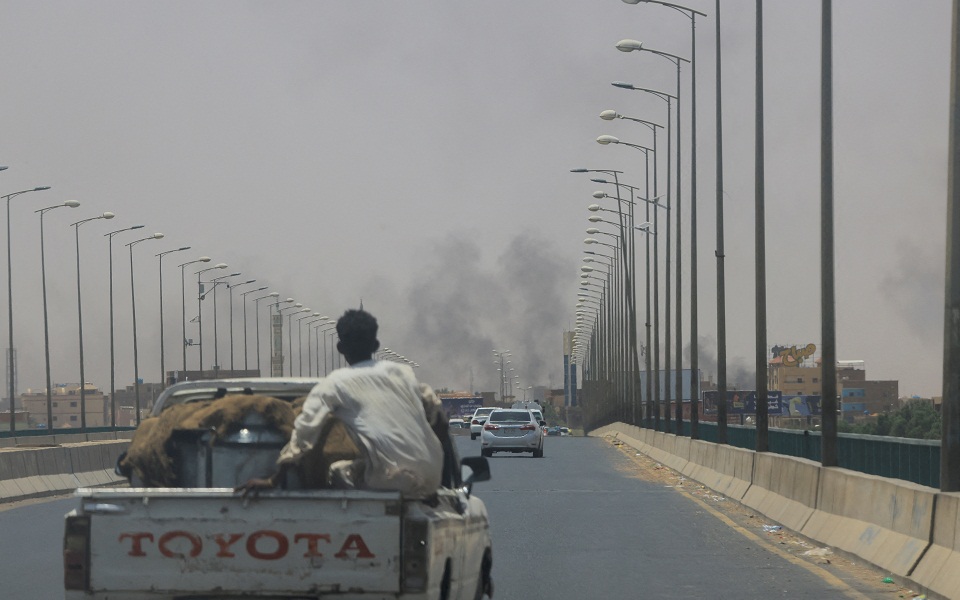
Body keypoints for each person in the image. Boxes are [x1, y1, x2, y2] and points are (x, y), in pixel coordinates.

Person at [237, 308, 445, 498]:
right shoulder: (403, 373)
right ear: (376, 346)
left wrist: (273, 480)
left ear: (340, 347)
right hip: (434, 476)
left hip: (390, 480)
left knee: (338, 471)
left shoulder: (334, 383)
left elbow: (304, 433)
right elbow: (437, 413)